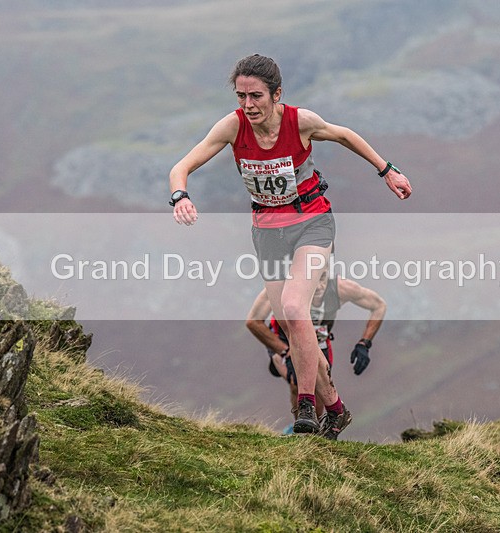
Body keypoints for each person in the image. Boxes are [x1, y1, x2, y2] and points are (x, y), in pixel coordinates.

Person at [169, 54, 411, 438]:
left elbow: (344, 134)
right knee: (287, 318)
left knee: (297, 306)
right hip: (267, 231)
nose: (248, 105)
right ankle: (335, 406)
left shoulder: (300, 121)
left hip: (312, 221)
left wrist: (387, 170)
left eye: (256, 96)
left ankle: (306, 409)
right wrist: (180, 195)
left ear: (277, 94)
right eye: (241, 96)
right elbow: (181, 166)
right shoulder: (232, 126)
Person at [246, 271, 386, 438]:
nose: (319, 286)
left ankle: (315, 433)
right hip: (284, 341)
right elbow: (253, 321)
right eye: (314, 279)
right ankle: (302, 432)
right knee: (298, 382)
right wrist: (285, 351)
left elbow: (379, 306)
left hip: (320, 344)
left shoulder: (341, 288)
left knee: (319, 392)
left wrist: (365, 343)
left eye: (323, 278)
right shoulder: (285, 286)